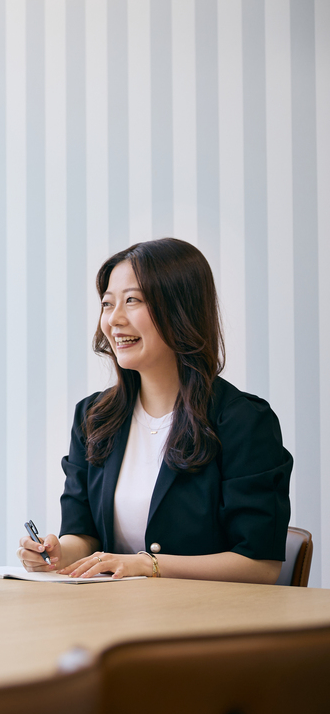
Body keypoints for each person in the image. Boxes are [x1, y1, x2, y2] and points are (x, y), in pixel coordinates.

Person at [18, 238, 291, 583]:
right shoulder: (93, 417)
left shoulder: (244, 421)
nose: (113, 319)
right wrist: (56, 553)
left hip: (206, 622)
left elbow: (260, 566)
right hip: (110, 616)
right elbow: (84, 535)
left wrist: (150, 566)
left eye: (132, 301)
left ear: (181, 308)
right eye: (107, 304)